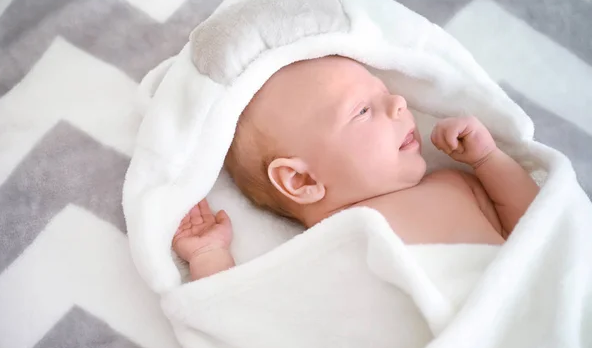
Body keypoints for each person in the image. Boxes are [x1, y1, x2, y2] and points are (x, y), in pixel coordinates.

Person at [172, 56, 539, 281]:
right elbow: (244, 321)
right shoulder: (311, 255)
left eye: (384, 92)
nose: (398, 102)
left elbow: (537, 225)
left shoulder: (455, 184)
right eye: (362, 110)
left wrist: (488, 159)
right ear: (301, 179)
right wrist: (209, 256)